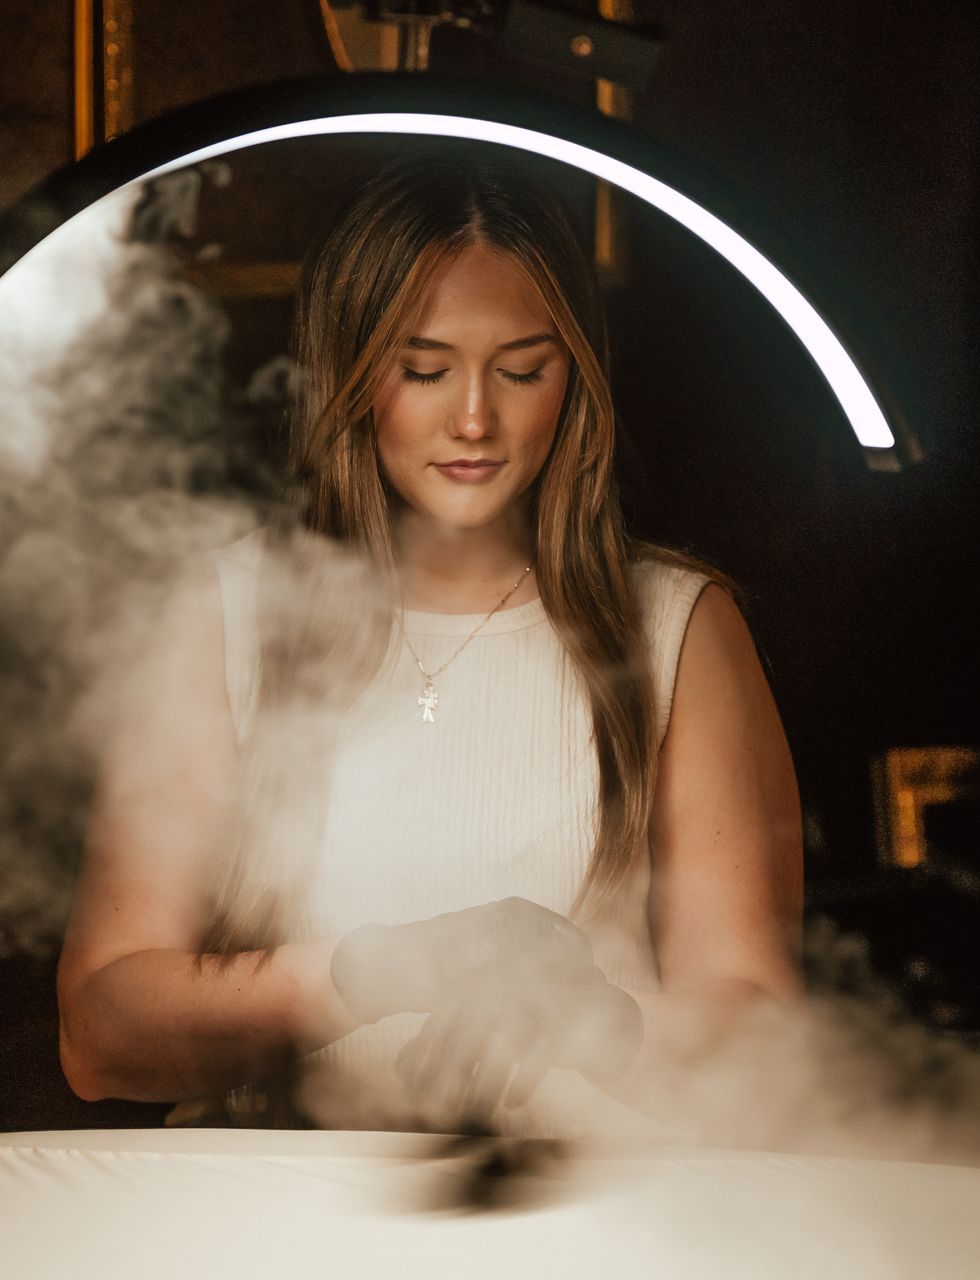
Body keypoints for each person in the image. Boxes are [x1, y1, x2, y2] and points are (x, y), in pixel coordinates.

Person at [56, 145, 804, 1139]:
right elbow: (99, 1035)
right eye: (423, 369)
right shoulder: (225, 614)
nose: (475, 419)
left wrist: (596, 1022)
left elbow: (764, 1056)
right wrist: (372, 969)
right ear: (349, 372)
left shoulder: (675, 627)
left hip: (593, 1199)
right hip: (270, 1202)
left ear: (577, 376)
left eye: (523, 369)